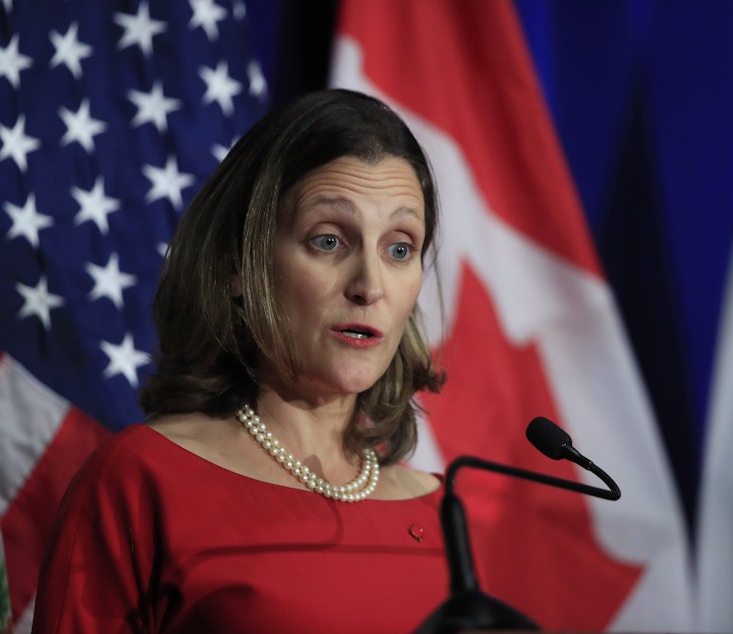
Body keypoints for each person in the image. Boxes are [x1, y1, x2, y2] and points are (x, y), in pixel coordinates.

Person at [31, 88, 449, 633]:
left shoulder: (442, 517)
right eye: (328, 241)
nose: (370, 285)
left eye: (399, 248)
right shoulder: (141, 480)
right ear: (238, 266)